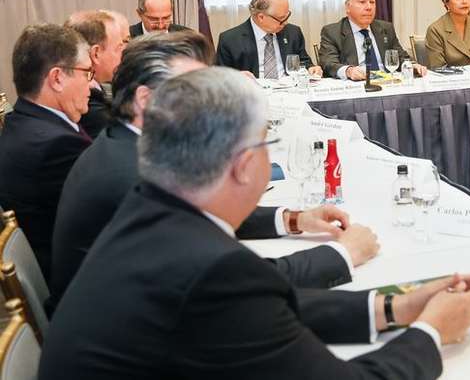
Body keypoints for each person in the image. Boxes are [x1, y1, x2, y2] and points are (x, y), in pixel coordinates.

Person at [39, 66, 470, 379]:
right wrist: (431, 333)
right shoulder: (211, 269)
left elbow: (273, 313)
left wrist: (396, 306)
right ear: (241, 164)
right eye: (265, 143)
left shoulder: (150, 206)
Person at [48, 32, 377, 315]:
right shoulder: (133, 175)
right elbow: (234, 283)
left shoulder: (125, 145)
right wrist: (342, 254)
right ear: (146, 100)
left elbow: (201, 215)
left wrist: (294, 219)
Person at [0, 24, 92, 281]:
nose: (90, 84)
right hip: (73, 282)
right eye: (86, 73)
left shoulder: (21, 123)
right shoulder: (57, 147)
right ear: (57, 78)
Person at [319, 0, 427, 81]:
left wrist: (411, 65)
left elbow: (401, 57)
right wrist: (348, 71)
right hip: (357, 88)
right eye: (362, 2)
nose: (369, 7)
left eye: (372, 2)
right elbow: (328, 63)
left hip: (388, 85)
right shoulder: (332, 32)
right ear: (348, 6)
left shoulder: (386, 28)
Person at [216, 0, 321, 78]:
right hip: (253, 94)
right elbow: (222, 78)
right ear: (261, 17)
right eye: (281, 18)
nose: (285, 23)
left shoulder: (293, 33)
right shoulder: (230, 40)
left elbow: (304, 63)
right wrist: (237, 78)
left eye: (287, 16)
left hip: (290, 92)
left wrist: (311, 68)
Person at [64, 9, 130, 138]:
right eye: (119, 48)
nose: (124, 54)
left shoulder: (94, 92)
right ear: (96, 54)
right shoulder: (87, 105)